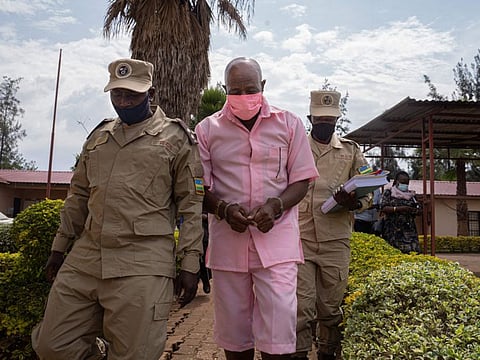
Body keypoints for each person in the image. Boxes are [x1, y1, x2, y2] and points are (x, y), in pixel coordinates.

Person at [31, 58, 204, 360]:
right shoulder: (98, 138)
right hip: (87, 257)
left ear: (152, 93)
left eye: (132, 95)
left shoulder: (177, 140)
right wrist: (59, 248)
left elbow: (191, 206)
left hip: (142, 262)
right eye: (117, 94)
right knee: (52, 345)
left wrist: (190, 263)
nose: (123, 102)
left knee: (135, 354)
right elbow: (78, 196)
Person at [194, 57, 319, 360]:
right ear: (225, 90)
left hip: (277, 246)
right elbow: (199, 187)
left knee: (279, 337)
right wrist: (222, 209)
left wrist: (276, 205)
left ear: (262, 86)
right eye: (235, 90)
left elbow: (302, 180)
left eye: (250, 89)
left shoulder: (289, 124)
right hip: (228, 244)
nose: (243, 97)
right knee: (235, 337)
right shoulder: (207, 130)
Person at [292, 90, 372, 360]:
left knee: (330, 307)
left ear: (338, 120)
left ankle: (327, 352)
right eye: (320, 119)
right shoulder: (295, 146)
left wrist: (353, 202)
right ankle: (299, 353)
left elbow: (369, 188)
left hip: (335, 240)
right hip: (300, 237)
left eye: (331, 120)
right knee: (301, 307)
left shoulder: (351, 151)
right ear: (310, 118)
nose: (326, 124)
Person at [379, 170, 421, 254]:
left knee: (413, 254)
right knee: (394, 254)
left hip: (409, 232)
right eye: (402, 182)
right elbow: (383, 208)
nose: (405, 185)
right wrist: (399, 209)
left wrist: (414, 210)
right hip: (393, 231)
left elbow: (419, 210)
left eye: (407, 183)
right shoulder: (389, 193)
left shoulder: (412, 195)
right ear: (396, 181)